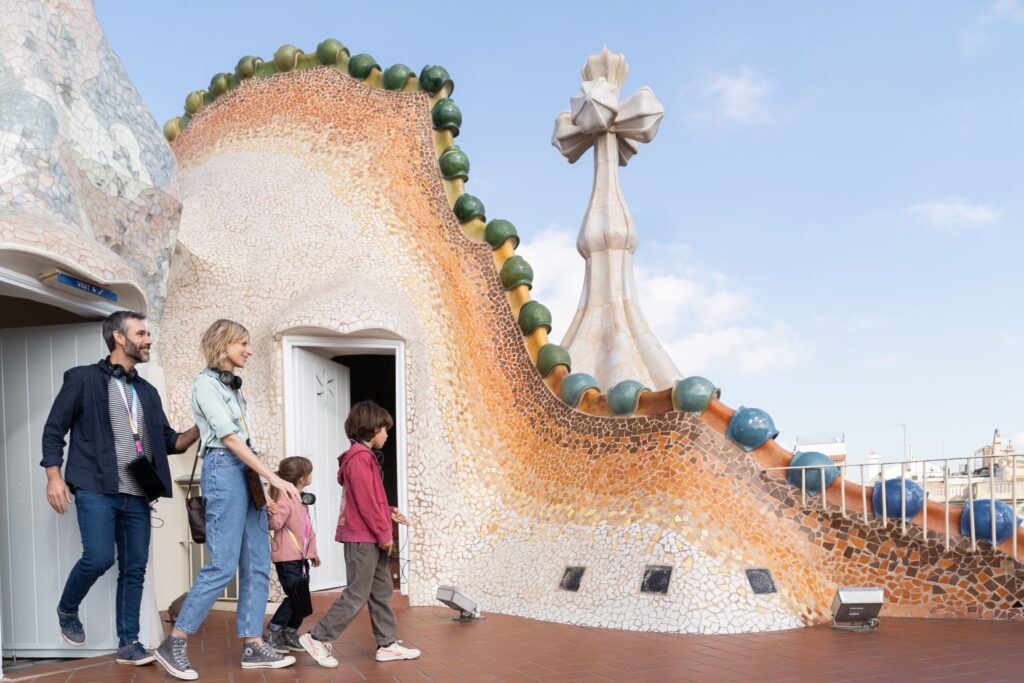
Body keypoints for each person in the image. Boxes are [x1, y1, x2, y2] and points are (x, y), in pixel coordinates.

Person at [41, 310, 200, 665]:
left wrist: (203, 425)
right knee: (98, 557)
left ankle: (128, 643)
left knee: (134, 569)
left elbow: (171, 441)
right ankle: (68, 608)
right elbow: (54, 430)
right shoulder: (82, 379)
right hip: (95, 487)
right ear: (118, 337)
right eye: (142, 333)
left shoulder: (147, 391)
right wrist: (53, 475)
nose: (149, 340)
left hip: (138, 494)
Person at [154, 319, 299, 680]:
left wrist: (262, 487)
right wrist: (273, 475)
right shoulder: (204, 385)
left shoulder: (232, 387)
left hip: (244, 473)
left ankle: (252, 643)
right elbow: (230, 439)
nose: (249, 350)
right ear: (224, 344)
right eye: (243, 344)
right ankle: (175, 642)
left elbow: (244, 443)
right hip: (224, 468)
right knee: (222, 564)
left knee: (257, 560)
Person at [300, 400, 420, 667]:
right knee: (358, 592)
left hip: (369, 535)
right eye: (384, 429)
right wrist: (383, 533)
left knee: (381, 591)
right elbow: (365, 501)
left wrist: (388, 511)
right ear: (372, 428)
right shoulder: (360, 458)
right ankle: (317, 638)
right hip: (363, 538)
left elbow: (368, 499)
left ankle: (387, 644)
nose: (387, 434)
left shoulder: (363, 457)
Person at [265, 456, 320, 653]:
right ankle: (272, 632)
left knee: (301, 597)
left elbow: (306, 529)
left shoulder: (300, 498)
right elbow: (274, 524)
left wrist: (312, 553)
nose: (312, 475)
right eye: (310, 472)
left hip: (301, 558)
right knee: (296, 596)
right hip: (288, 559)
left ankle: (289, 633)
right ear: (302, 478)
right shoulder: (286, 497)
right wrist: (269, 511)